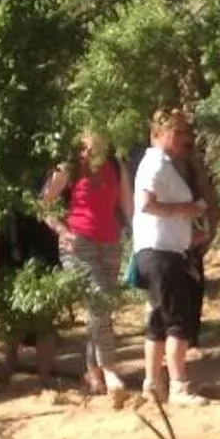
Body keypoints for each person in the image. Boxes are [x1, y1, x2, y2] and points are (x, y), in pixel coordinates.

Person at [128, 107, 210, 406]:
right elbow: (146, 204)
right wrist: (187, 211)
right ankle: (178, 384)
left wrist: (189, 233)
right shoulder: (155, 164)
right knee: (178, 318)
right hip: (161, 253)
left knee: (159, 318)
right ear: (159, 134)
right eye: (176, 132)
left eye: (183, 133)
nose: (181, 139)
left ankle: (153, 383)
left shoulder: (164, 165)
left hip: (165, 249)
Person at [39, 130, 127, 398]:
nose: (88, 153)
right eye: (85, 148)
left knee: (101, 309)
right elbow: (43, 204)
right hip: (79, 244)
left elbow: (128, 205)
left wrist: (133, 235)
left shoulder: (116, 166)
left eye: (94, 148)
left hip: (110, 241)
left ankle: (93, 374)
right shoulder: (70, 168)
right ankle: (110, 371)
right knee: (99, 299)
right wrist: (63, 231)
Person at [0, 205, 60, 386]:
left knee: (45, 315)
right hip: (13, 252)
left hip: (43, 249)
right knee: (15, 315)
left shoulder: (44, 181)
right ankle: (11, 363)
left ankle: (44, 375)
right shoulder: (2, 188)